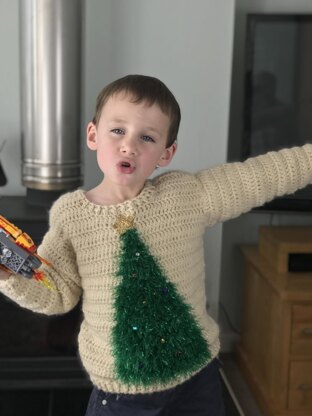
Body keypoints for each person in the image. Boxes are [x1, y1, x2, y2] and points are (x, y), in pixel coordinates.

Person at [0, 74, 312, 416]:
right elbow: (57, 293)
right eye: (117, 130)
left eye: (146, 137)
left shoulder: (186, 194)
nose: (129, 145)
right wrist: (10, 277)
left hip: (196, 381)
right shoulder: (72, 217)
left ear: (166, 152)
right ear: (93, 135)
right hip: (121, 397)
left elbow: (263, 174)